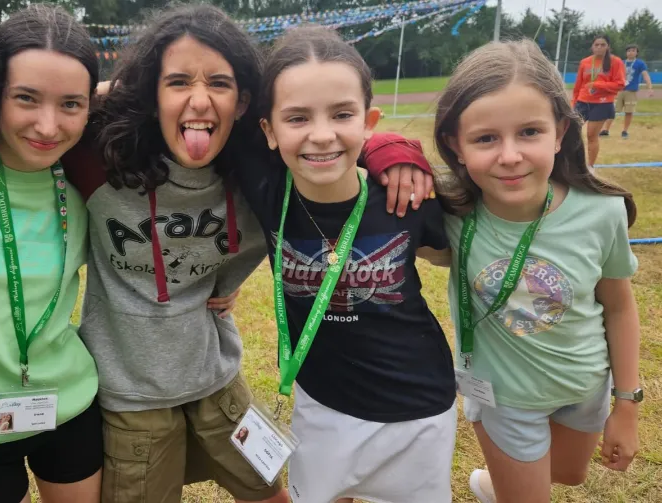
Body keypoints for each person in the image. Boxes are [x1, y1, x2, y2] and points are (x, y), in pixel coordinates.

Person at [62, 5, 428, 502]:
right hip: (132, 396)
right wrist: (110, 89)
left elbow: (323, 137)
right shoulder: (102, 160)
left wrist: (390, 148)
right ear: (151, 95)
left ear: (244, 102)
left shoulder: (258, 173)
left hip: (218, 383)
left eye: (219, 82)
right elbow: (43, 118)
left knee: (270, 493)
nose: (198, 100)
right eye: (176, 82)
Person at [240, 25, 456, 503]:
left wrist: (398, 150)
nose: (322, 135)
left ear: (369, 120)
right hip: (321, 402)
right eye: (298, 118)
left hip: (417, 409)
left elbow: (456, 252)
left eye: (342, 114)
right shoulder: (264, 188)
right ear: (269, 131)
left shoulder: (407, 197)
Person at [435, 40, 641, 503]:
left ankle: (494, 486)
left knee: (568, 475)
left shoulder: (601, 212)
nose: (510, 155)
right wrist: (389, 155)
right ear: (455, 145)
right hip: (504, 397)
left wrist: (627, 403)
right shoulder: (446, 214)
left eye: (529, 132)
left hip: (586, 385)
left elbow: (620, 307)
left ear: (560, 132)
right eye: (486, 138)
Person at [0, 6, 102, 503]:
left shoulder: (92, 181)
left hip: (69, 406)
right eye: (26, 98)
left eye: (71, 104)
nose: (47, 126)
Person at [572, 34, 625, 170]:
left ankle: (590, 167)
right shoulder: (585, 62)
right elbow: (578, 84)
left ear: (608, 47)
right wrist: (574, 102)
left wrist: (598, 85)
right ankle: (572, 164)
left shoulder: (616, 62)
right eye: (596, 45)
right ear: (592, 47)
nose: (599, 47)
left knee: (591, 135)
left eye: (603, 45)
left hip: (602, 104)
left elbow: (620, 84)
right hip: (582, 102)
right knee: (571, 133)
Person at [602, 44, 653, 139]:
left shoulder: (640, 63)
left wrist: (649, 87)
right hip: (619, 90)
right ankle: (605, 130)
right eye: (629, 51)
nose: (631, 52)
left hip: (631, 91)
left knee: (629, 111)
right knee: (612, 111)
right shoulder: (621, 62)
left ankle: (625, 131)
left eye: (633, 50)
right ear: (626, 53)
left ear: (637, 53)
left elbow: (645, 75)